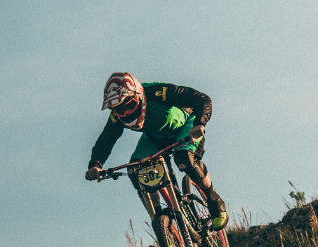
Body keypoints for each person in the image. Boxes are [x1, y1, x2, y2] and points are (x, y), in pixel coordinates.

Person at [85, 72, 227, 230]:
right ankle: (163, 225)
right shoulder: (117, 117)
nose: (126, 113)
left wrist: (200, 123)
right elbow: (106, 139)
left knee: (183, 159)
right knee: (135, 170)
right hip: (156, 137)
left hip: (187, 124)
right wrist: (95, 164)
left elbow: (202, 99)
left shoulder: (156, 92)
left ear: (139, 95)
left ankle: (214, 199)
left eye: (130, 105)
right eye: (119, 110)